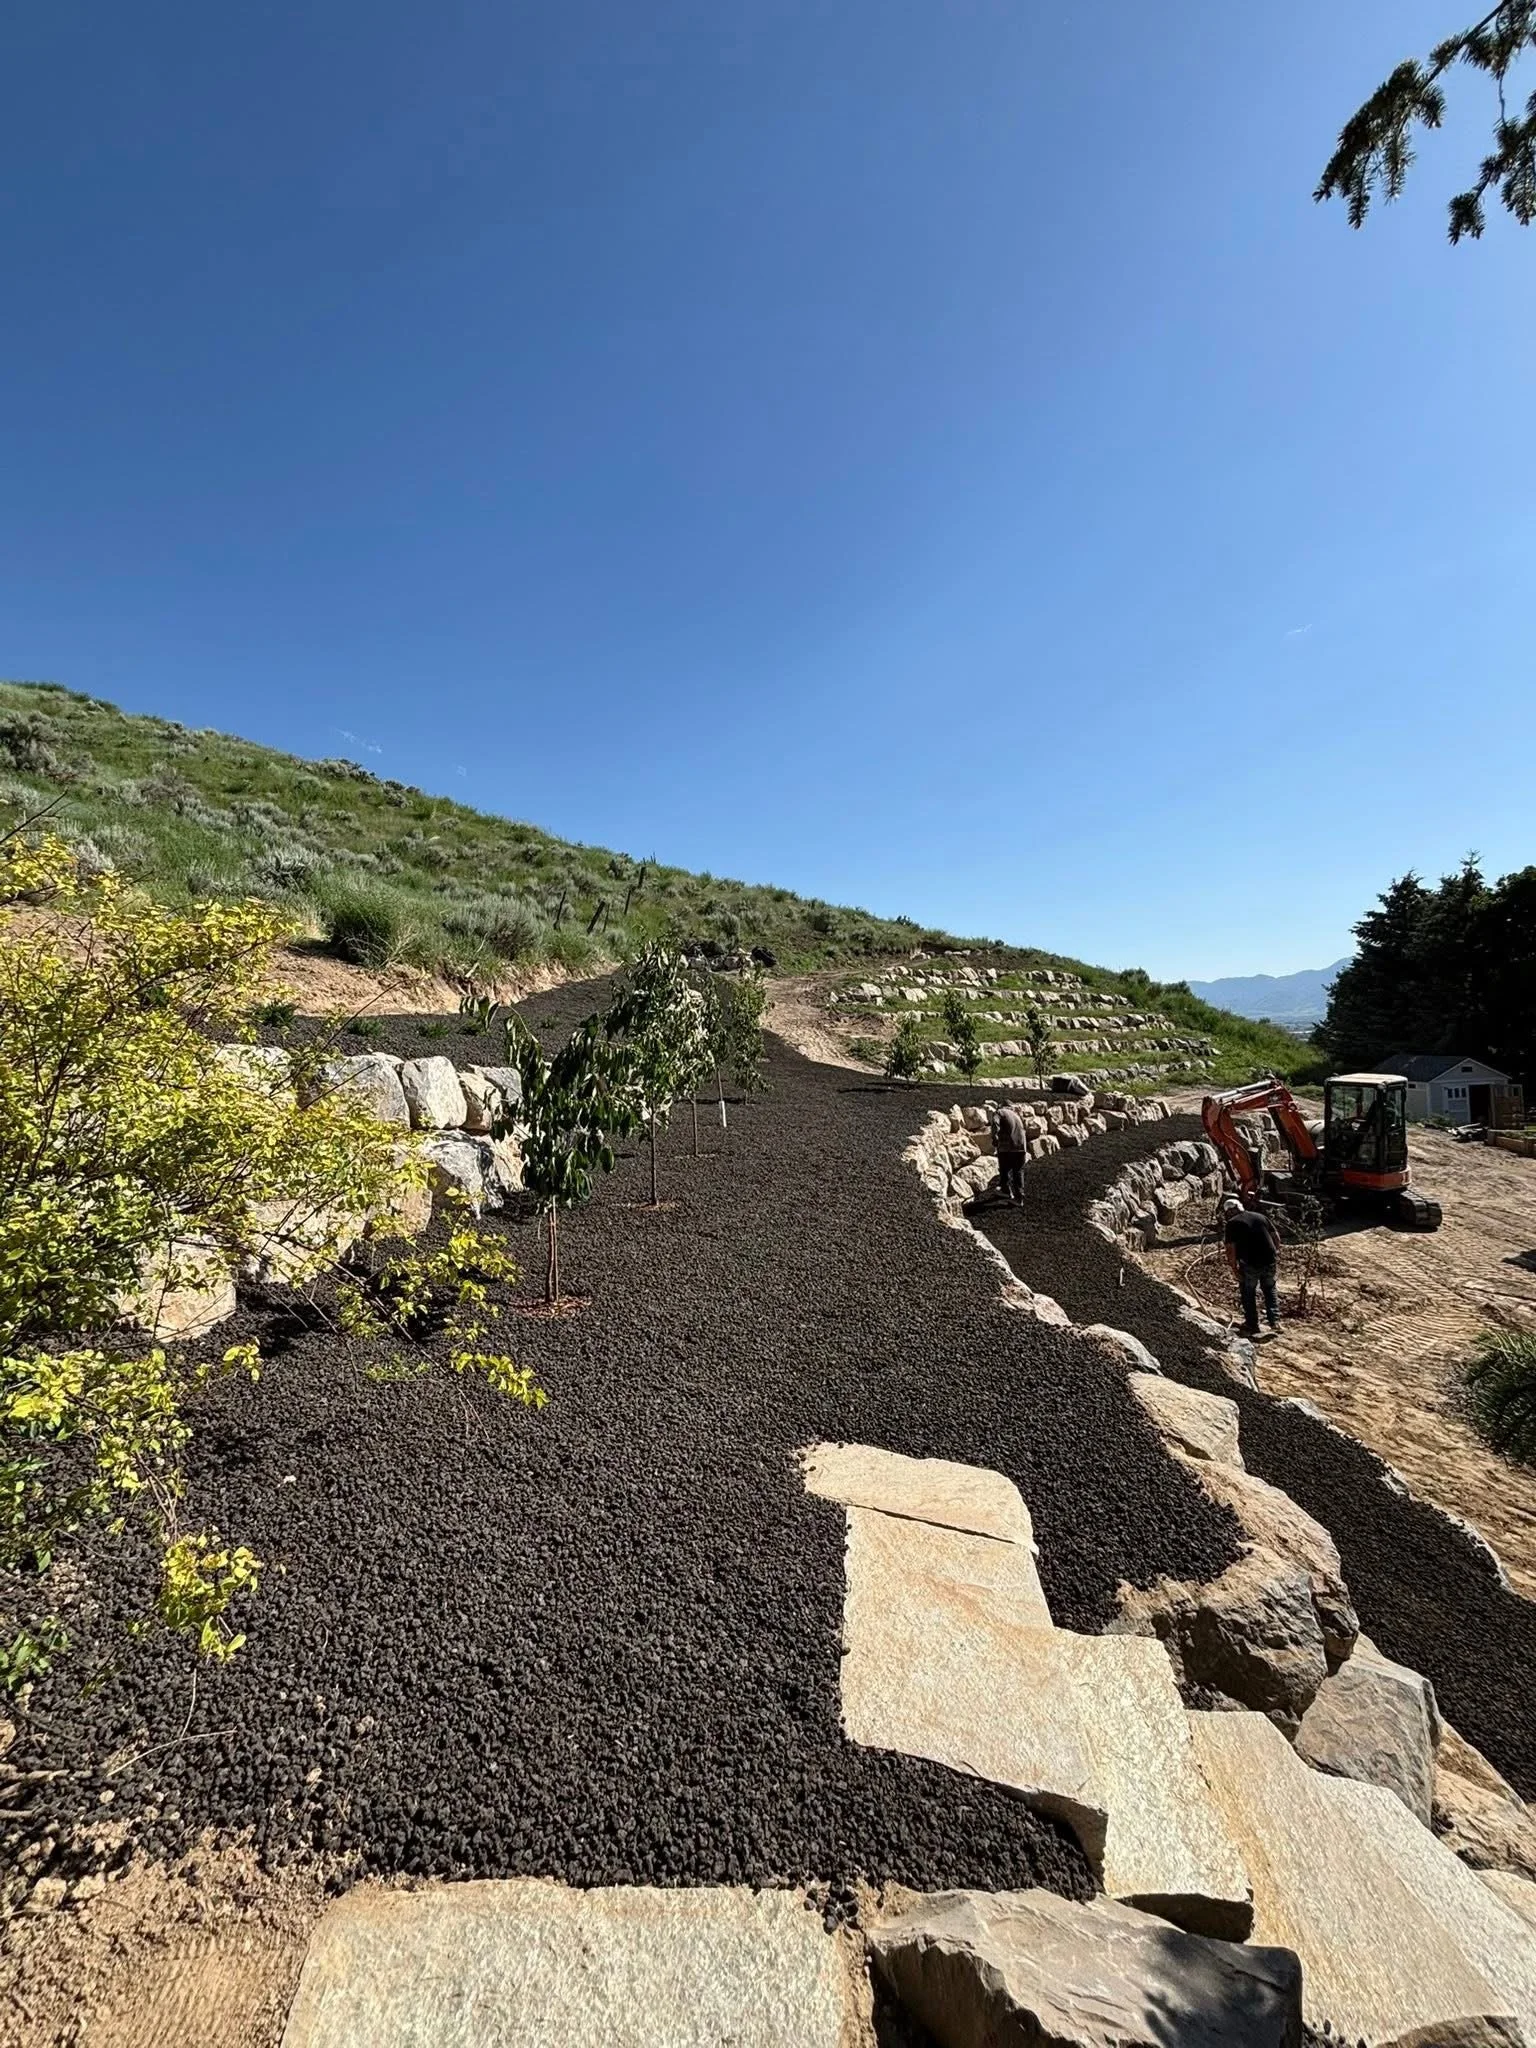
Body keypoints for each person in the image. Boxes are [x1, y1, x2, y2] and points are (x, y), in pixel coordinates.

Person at [1222, 1195, 1282, 1337]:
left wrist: (1234, 1268)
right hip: (1269, 1260)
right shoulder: (1260, 1216)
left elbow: (1230, 1248)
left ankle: (1252, 1324)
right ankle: (1275, 1322)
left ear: (1229, 1211)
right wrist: (1276, 1253)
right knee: (1270, 1289)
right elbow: (1276, 1237)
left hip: (1250, 1263)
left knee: (1248, 1292)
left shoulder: (1232, 1224)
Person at [992, 1102, 1028, 1204]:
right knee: (1018, 1171)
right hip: (1021, 1147)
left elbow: (995, 1124)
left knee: (1004, 1169)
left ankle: (1006, 1191)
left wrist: (995, 1139)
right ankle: (1019, 1198)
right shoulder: (1016, 1115)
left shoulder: (999, 1112)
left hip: (1008, 1147)